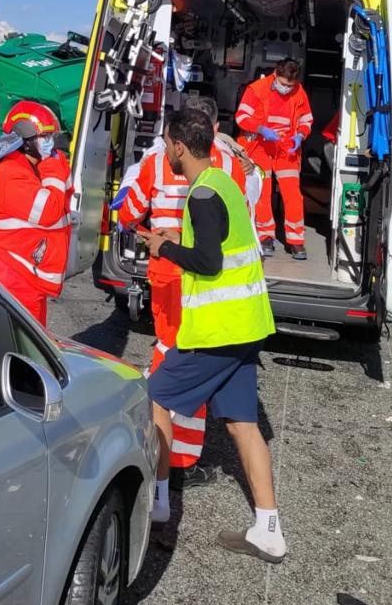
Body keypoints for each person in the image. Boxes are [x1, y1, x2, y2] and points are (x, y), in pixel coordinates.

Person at [136, 107, 285, 563]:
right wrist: (177, 234)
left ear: (180, 146)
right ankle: (269, 529)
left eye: (166, 144)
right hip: (247, 328)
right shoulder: (225, 183)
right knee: (242, 424)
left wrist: (164, 246)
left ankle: (159, 503)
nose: (165, 152)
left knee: (154, 396)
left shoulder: (200, 194)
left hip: (218, 332)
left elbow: (208, 262)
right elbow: (218, 241)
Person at [113, 95, 255, 489]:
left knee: (169, 350)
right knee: (195, 359)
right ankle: (183, 460)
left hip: (167, 274)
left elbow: (127, 214)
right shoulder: (226, 166)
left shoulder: (154, 164)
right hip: (210, 285)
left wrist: (148, 230)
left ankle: (159, 450)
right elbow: (241, 213)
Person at [0, 101, 73, 327]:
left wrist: (54, 162)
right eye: (44, 137)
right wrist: (52, 164)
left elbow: (65, 193)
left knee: (30, 353)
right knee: (22, 353)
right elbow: (50, 210)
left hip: (25, 278)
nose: (50, 143)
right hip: (11, 278)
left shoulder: (32, 167)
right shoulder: (12, 173)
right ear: (25, 140)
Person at [235, 58, 314, 260]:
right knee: (263, 192)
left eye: (291, 85)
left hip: (286, 147)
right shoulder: (257, 89)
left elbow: (306, 119)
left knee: (293, 194)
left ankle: (296, 242)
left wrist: (301, 135)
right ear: (276, 74)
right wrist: (261, 129)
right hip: (260, 145)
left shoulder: (299, 91)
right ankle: (266, 236)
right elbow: (241, 117)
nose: (288, 88)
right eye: (285, 84)